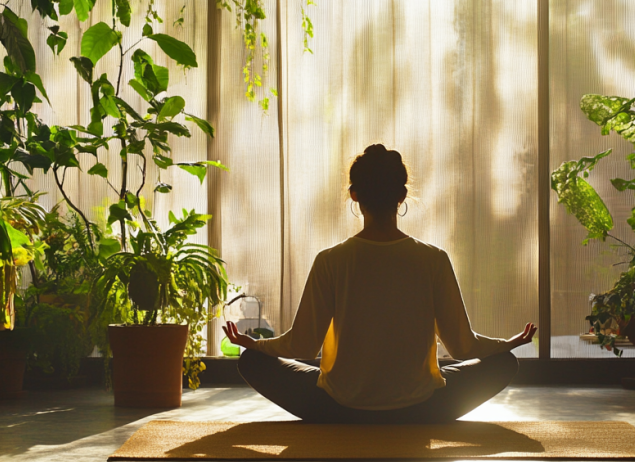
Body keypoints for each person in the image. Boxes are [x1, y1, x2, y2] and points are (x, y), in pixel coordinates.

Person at [223, 144, 537, 424]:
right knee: (503, 364)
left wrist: (255, 345)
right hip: (421, 409)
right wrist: (505, 345)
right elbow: (462, 347)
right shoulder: (433, 259)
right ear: (401, 195)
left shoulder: (331, 260)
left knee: (252, 362)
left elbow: (302, 346)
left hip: (338, 408)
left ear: (354, 194)